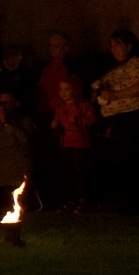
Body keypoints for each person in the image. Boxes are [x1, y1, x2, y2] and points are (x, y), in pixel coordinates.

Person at [93, 30, 139, 214]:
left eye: (117, 44)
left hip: (133, 117)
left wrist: (116, 95)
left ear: (129, 46)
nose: (113, 49)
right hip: (115, 119)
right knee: (117, 161)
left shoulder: (137, 64)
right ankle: (123, 200)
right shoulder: (111, 69)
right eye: (111, 44)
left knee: (132, 159)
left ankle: (137, 202)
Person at [50, 77, 96, 213]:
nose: (63, 93)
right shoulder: (60, 107)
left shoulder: (83, 105)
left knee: (79, 173)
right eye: (61, 90)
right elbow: (59, 122)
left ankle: (83, 200)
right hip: (65, 144)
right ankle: (70, 200)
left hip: (80, 144)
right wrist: (55, 125)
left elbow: (91, 120)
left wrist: (77, 120)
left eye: (66, 89)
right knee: (68, 173)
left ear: (74, 90)